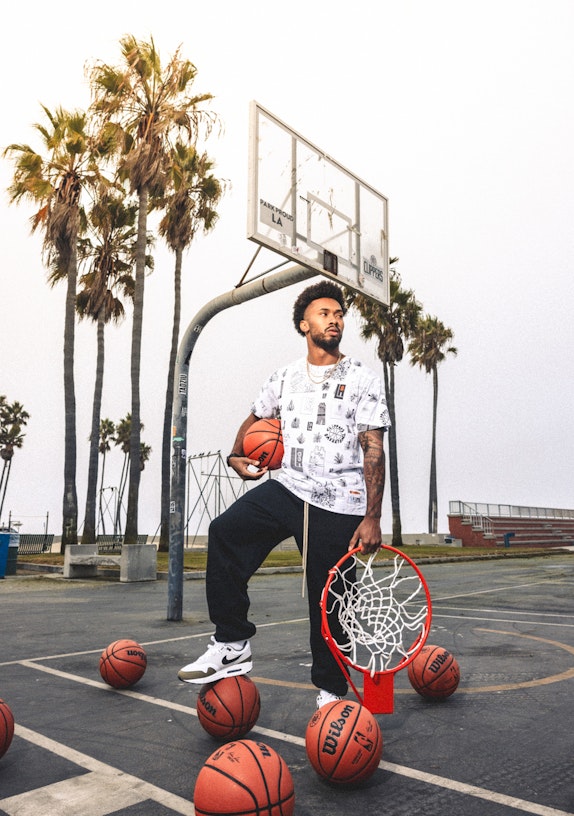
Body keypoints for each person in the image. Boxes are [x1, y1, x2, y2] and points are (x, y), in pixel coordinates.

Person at [178, 280, 391, 708]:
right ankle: (233, 642)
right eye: (324, 313)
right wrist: (236, 455)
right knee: (225, 532)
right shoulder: (284, 377)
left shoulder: (362, 379)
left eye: (339, 313)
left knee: (330, 602)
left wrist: (372, 516)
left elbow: (373, 447)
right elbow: (256, 418)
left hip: (340, 500)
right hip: (289, 488)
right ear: (303, 324)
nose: (334, 319)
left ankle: (331, 694)